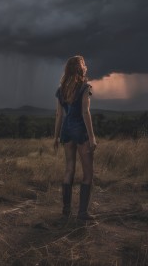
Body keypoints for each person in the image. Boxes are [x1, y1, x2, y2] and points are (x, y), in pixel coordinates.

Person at [53, 55, 98, 221]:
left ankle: (66, 211)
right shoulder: (84, 87)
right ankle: (82, 213)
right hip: (80, 131)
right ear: (81, 68)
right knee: (88, 174)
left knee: (69, 168)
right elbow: (85, 112)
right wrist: (92, 137)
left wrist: (56, 137)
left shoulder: (61, 89)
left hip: (66, 131)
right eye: (84, 64)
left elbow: (59, 115)